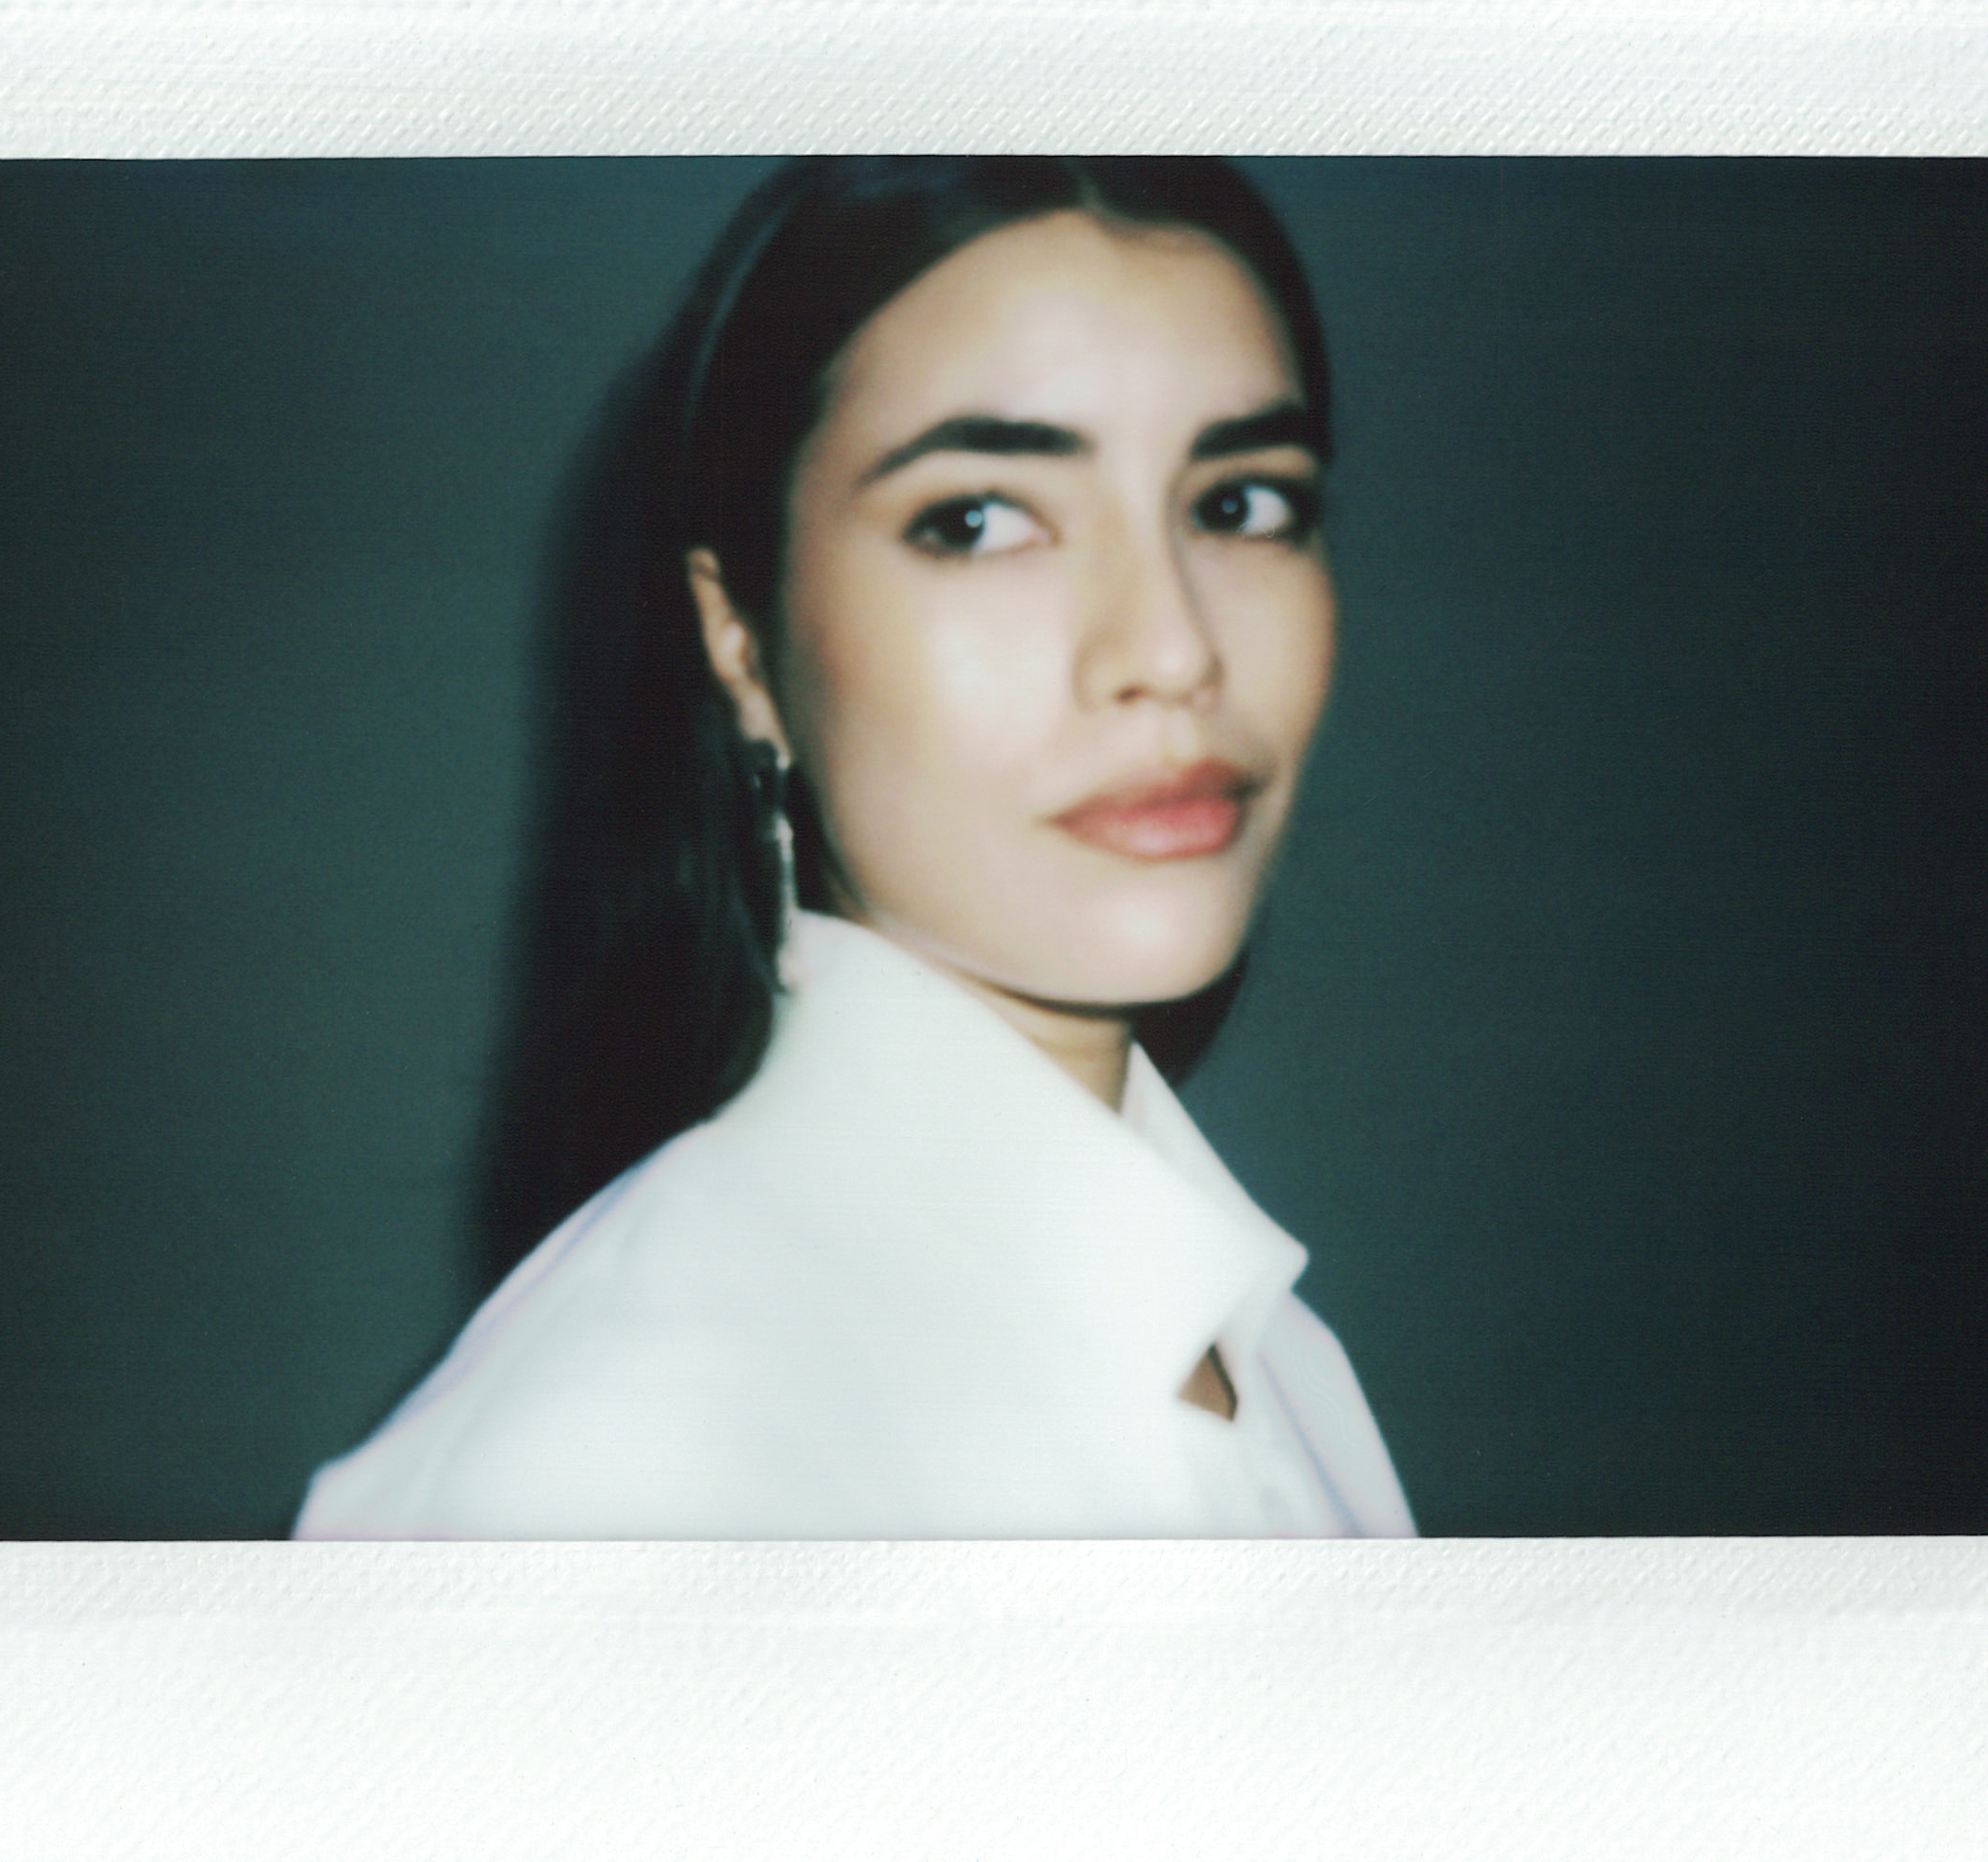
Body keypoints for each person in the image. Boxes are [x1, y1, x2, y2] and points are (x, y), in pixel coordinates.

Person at [294, 158, 1413, 1538]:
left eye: (1239, 504)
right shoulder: (611, 1466)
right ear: (740, 639)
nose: (1174, 647)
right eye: (979, 520)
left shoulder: (1275, 1349)